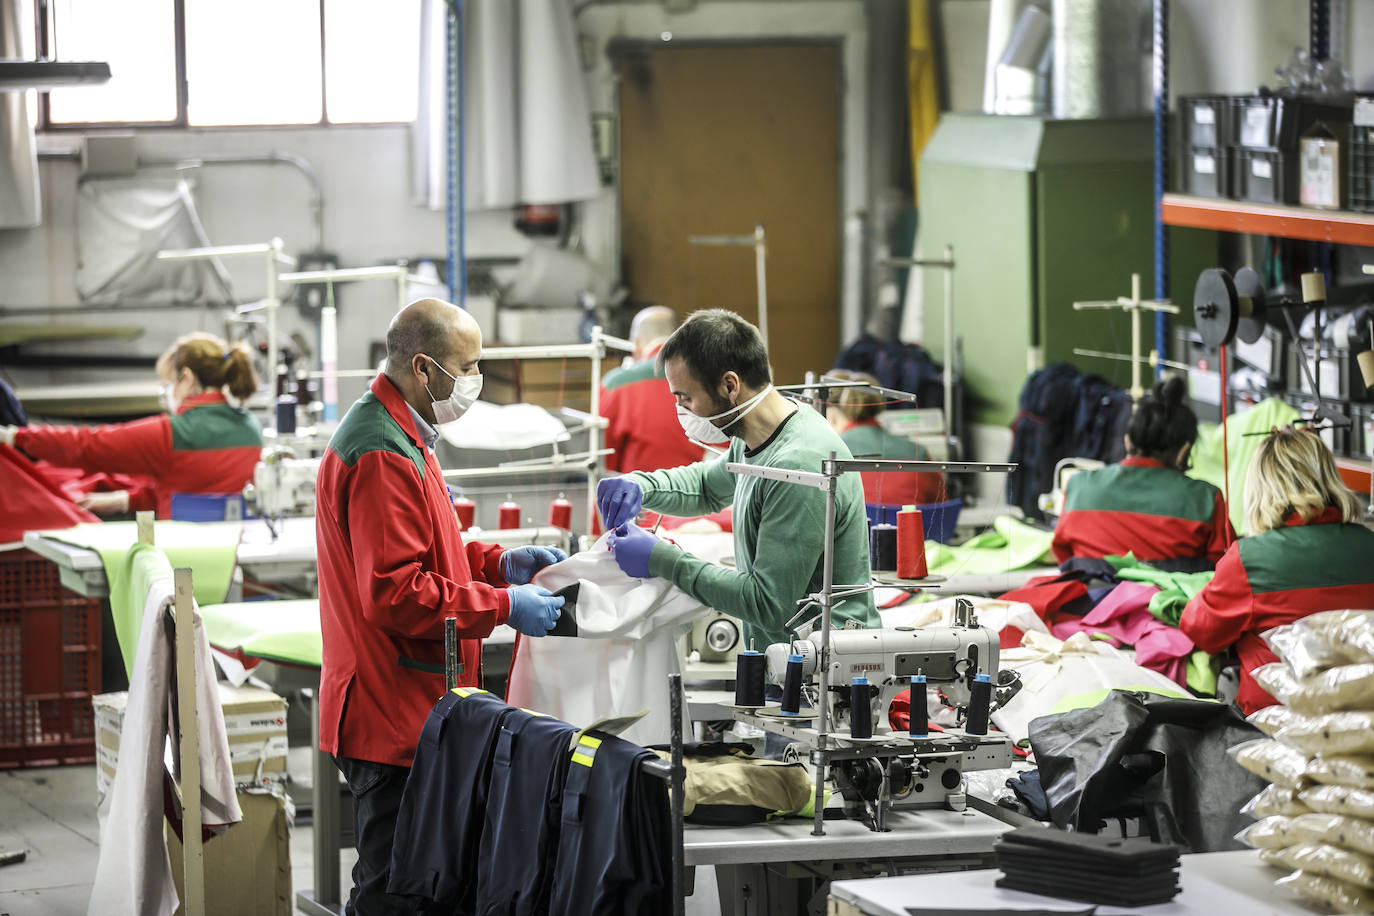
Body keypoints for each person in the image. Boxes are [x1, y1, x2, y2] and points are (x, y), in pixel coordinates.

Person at [315, 297, 568, 915]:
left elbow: (430, 551)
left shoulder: (405, 433)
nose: (476, 381)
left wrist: (494, 562)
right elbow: (396, 593)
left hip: (408, 705)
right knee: (396, 890)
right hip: (389, 708)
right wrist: (502, 605)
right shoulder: (381, 451)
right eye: (470, 365)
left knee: (423, 880)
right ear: (425, 369)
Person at [596, 309, 877, 652]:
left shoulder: (799, 464)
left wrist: (663, 560)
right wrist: (641, 486)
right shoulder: (756, 433)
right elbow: (706, 487)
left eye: (685, 397)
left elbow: (768, 603)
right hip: (786, 662)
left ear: (730, 385)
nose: (681, 410)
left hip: (826, 676)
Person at [1180, 427, 1374, 715]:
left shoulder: (1249, 559)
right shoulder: (1369, 543)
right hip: (1363, 719)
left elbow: (1201, 631)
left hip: (1278, 728)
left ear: (1261, 487)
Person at [0, 331, 263, 518]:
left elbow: (88, 447)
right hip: (237, 562)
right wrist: (124, 500)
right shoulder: (251, 429)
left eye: (170, 382)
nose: (168, 391)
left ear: (187, 378)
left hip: (184, 565)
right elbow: (197, 490)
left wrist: (16, 437)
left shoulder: (170, 434)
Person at [1051, 376, 1232, 571]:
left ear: (1128, 441)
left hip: (1090, 599)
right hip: (1170, 601)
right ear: (1184, 451)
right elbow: (1224, 569)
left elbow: (1063, 554)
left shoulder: (1079, 485)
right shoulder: (1206, 498)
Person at [600, 305, 704, 473]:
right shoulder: (712, 379)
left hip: (640, 495)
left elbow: (604, 458)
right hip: (707, 493)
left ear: (636, 345)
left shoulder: (617, 384)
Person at [822, 368, 945, 506]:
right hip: (908, 526)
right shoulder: (918, 452)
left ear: (830, 416)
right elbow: (941, 506)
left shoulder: (828, 454)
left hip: (859, 527)